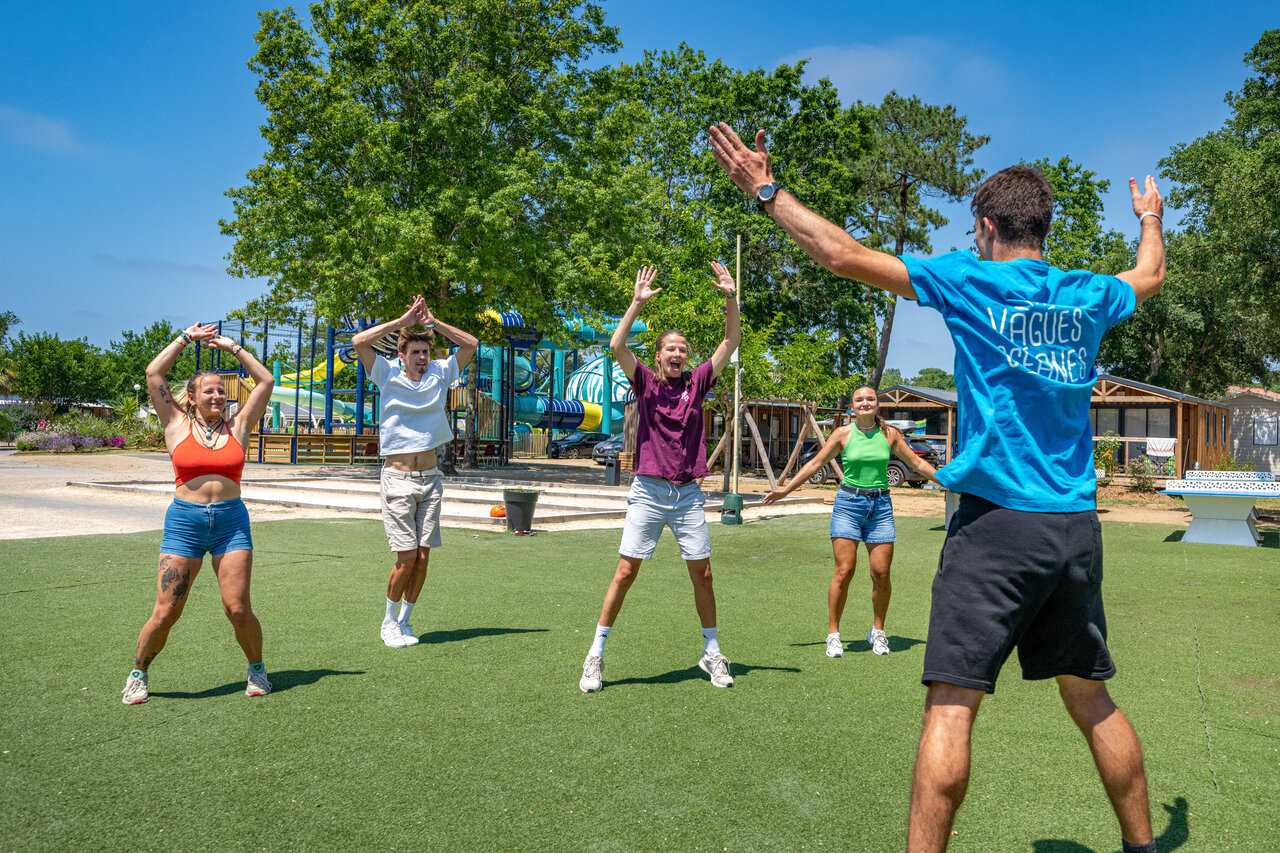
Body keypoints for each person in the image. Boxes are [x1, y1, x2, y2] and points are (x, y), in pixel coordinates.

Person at [710, 123, 1165, 853]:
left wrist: (766, 191)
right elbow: (1149, 276)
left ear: (987, 226)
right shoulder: (1088, 295)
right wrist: (1149, 220)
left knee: (950, 709)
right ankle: (1145, 847)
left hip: (995, 529)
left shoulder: (970, 277)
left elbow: (840, 253)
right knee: (1092, 697)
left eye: (975, 230)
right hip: (1076, 528)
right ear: (1042, 226)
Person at [579, 263, 740, 693]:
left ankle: (712, 653)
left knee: (702, 574)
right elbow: (616, 344)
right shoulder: (646, 383)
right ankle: (595, 655)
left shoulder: (699, 382)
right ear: (658, 356)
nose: (677, 354)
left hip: (687, 495)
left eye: (682, 349)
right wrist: (637, 302)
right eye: (670, 348)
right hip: (649, 492)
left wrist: (730, 296)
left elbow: (731, 341)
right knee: (626, 572)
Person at [122, 324, 276, 705]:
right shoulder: (176, 423)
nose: (218, 395)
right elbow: (154, 373)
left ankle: (257, 670)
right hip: (185, 525)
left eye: (222, 390)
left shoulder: (238, 426)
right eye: (209, 390)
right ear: (191, 398)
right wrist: (185, 339)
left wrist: (234, 347)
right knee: (166, 612)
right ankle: (139, 673)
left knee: (238, 608)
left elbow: (265, 380)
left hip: (231, 524)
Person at [762, 384, 940, 658]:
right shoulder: (843, 434)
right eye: (860, 400)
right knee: (844, 571)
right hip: (848, 505)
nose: (865, 403)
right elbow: (814, 464)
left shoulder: (890, 434)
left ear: (877, 405)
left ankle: (878, 631)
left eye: (870, 399)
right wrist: (786, 489)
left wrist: (948, 482)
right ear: (852, 407)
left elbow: (917, 465)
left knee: (881, 573)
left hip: (880, 507)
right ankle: (833, 635)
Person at [352, 297, 478, 648]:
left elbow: (471, 345)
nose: (422, 358)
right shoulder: (386, 373)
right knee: (406, 557)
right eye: (416, 352)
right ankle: (388, 623)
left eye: (426, 352)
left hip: (431, 479)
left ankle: (406, 622)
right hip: (397, 479)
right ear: (402, 356)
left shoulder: (441, 373)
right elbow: (359, 342)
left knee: (423, 556)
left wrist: (433, 323)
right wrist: (403, 321)